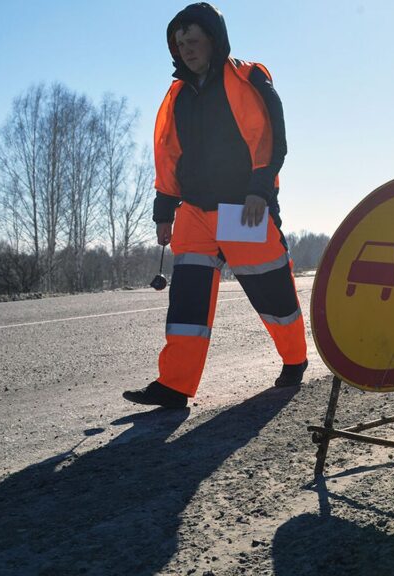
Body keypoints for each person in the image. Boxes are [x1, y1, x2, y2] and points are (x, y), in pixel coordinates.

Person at [124, 2, 308, 408]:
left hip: (242, 207)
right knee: (187, 301)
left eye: (193, 40)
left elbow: (271, 138)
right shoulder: (177, 96)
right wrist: (163, 210)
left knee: (270, 287)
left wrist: (260, 191)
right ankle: (175, 385)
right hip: (193, 210)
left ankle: (295, 359)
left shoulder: (248, 76)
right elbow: (168, 154)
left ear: (213, 39)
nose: (186, 49)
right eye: (179, 43)